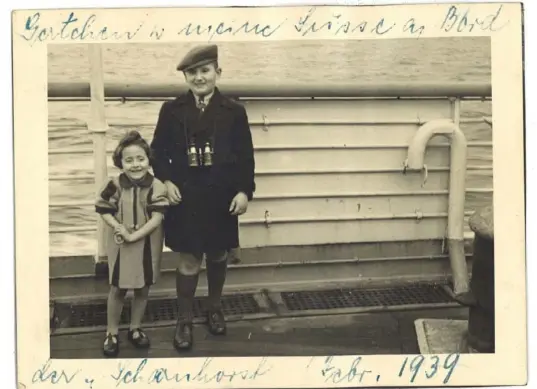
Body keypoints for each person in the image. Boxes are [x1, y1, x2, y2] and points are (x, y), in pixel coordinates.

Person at [150, 44, 256, 351]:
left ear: (217, 73)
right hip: (186, 198)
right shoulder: (171, 110)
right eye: (192, 72)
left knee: (219, 255)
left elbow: (246, 157)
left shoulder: (234, 111)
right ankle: (183, 319)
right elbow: (157, 153)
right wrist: (166, 181)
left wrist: (244, 191)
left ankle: (214, 308)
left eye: (205, 71)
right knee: (189, 259)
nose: (199, 78)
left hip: (222, 197)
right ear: (185, 77)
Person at [95, 130, 169, 357]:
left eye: (140, 159)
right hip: (120, 245)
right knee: (117, 288)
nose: (135, 165)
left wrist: (135, 236)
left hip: (147, 243)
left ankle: (135, 329)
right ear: (120, 162)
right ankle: (112, 332)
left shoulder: (157, 186)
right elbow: (103, 209)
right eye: (129, 160)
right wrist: (119, 227)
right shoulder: (114, 184)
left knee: (142, 287)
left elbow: (157, 217)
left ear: (148, 160)